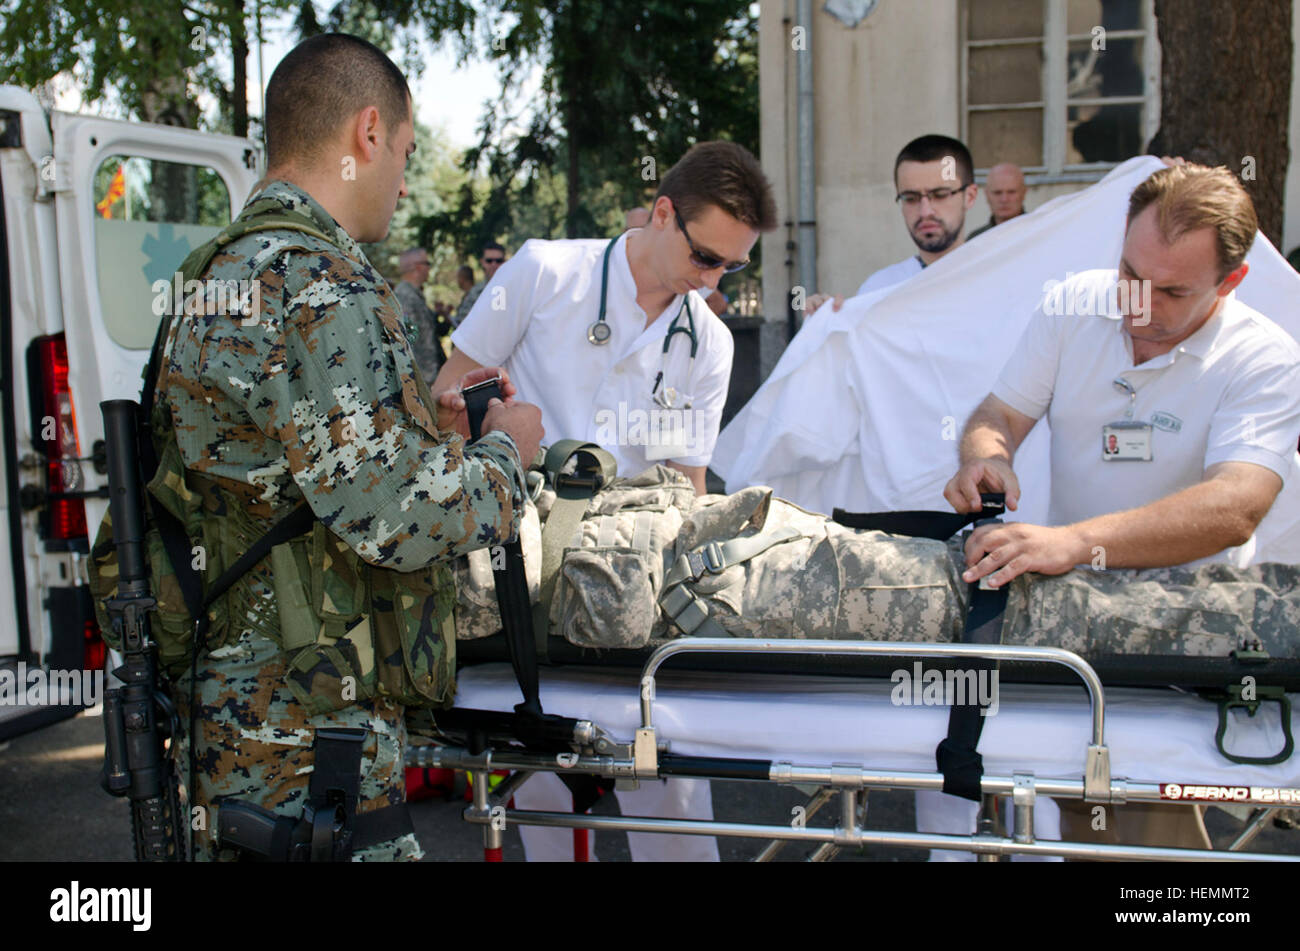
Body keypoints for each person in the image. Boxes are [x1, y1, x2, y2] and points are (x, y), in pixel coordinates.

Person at [153, 32, 543, 861]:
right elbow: (398, 518)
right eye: (403, 152)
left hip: (231, 714)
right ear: (368, 132)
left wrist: (430, 433)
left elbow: (282, 474)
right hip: (311, 733)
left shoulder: (211, 274)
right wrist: (508, 454)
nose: (404, 182)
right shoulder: (319, 282)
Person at [433, 139, 777, 860]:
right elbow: (445, 398)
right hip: (527, 585)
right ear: (660, 212)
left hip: (635, 592)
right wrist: (493, 433)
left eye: (733, 266)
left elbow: (688, 488)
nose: (714, 279)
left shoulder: (707, 341)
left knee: (675, 809)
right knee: (547, 810)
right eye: (707, 257)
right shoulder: (543, 272)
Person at [944, 162, 1300, 849]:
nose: (1140, 303)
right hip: (1072, 618)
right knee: (1087, 816)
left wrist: (1075, 542)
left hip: (1188, 632)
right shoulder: (1075, 306)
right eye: (1130, 273)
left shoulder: (1265, 360)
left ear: (1232, 282)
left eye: (1171, 290)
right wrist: (984, 456)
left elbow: (1236, 506)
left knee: (1150, 835)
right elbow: (999, 412)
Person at [807, 134, 978, 316]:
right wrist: (827, 320)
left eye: (940, 195)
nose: (925, 211)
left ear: (970, 197)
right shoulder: (879, 289)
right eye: (910, 198)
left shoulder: (999, 280)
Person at [394, 247, 449, 381]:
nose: (429, 269)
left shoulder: (414, 295)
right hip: (421, 376)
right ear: (418, 267)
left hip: (428, 374)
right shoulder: (404, 296)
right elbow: (407, 339)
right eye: (427, 264)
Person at [967, 162, 1028, 239]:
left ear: (1024, 193)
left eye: (1011, 192)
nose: (1004, 199)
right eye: (997, 193)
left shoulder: (1039, 234)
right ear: (987, 195)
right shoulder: (975, 240)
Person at [452, 242, 506, 326]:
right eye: (489, 261)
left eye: (498, 261)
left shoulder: (516, 290)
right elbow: (462, 323)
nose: (494, 264)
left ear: (504, 262)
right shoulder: (475, 292)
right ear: (482, 262)